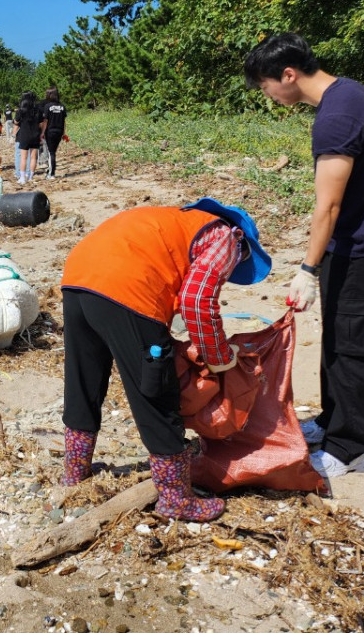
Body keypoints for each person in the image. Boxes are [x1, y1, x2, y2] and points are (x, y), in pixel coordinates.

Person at [244, 33, 364, 481]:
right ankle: (330, 420)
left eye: (265, 85)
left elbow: (329, 205)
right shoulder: (349, 93)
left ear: (288, 75)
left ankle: (351, 448)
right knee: (338, 338)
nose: (266, 94)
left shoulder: (336, 118)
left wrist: (307, 268)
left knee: (355, 345)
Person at [60, 198, 272, 520]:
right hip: (128, 289)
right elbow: (197, 301)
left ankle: (74, 475)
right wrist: (220, 358)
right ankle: (175, 498)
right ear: (244, 243)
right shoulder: (228, 237)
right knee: (156, 391)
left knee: (83, 380)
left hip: (78, 277)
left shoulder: (171, 221)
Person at [14, 91, 42, 185]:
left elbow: (16, 122)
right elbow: (41, 123)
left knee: (23, 158)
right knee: (34, 157)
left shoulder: (20, 111)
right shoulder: (38, 110)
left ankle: (22, 177)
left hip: (24, 135)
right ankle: (30, 177)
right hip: (35, 135)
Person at [41, 87, 68, 178]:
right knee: (53, 152)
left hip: (50, 131)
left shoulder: (47, 106)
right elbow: (64, 121)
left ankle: (51, 174)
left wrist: (42, 133)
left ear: (50, 95)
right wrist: (64, 133)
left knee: (51, 152)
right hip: (59, 131)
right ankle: (50, 169)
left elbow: (45, 121)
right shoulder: (62, 106)